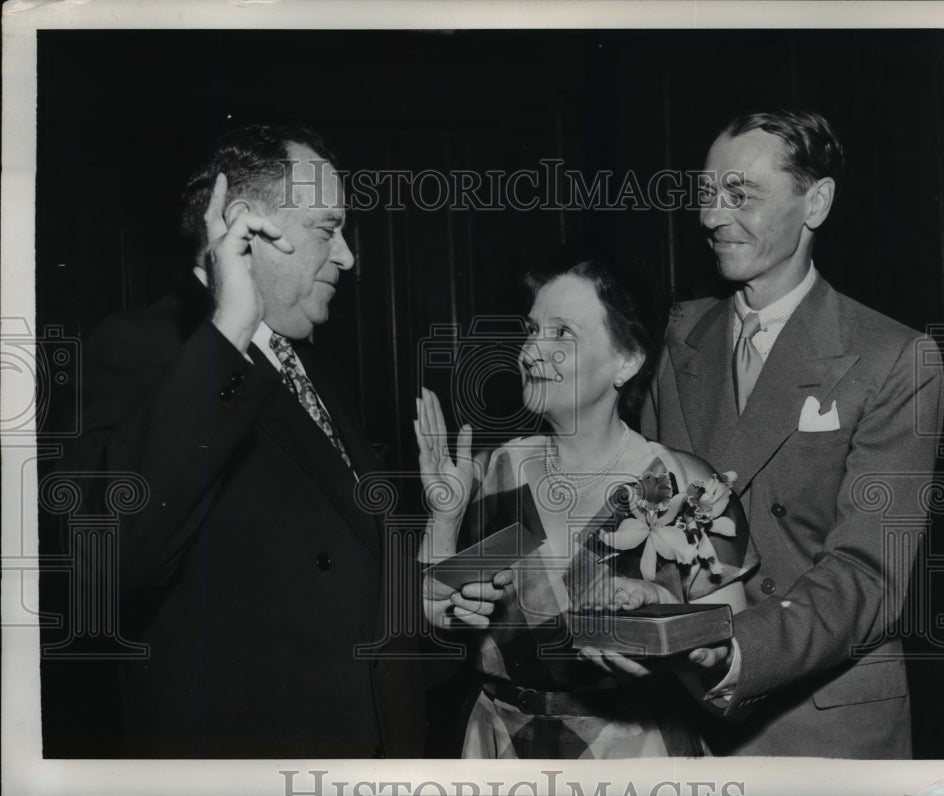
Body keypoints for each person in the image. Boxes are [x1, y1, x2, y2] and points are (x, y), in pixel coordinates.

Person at [64, 124, 423, 757]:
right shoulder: (134, 352)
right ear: (244, 231)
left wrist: (424, 603)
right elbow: (110, 560)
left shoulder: (310, 363)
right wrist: (230, 325)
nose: (346, 256)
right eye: (326, 228)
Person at [641, 109, 944, 758]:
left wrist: (734, 647)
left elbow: (868, 575)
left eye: (741, 195)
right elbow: (646, 512)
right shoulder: (675, 337)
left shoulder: (894, 357)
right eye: (706, 194)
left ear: (817, 202)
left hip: (821, 725)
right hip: (681, 722)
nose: (711, 216)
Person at [415, 246, 758, 759]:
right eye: (533, 331)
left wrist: (674, 636)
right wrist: (443, 523)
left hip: (635, 759)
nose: (532, 351)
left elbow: (731, 676)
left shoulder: (682, 487)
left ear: (627, 360)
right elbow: (443, 634)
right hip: (500, 750)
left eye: (562, 334)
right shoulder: (493, 474)